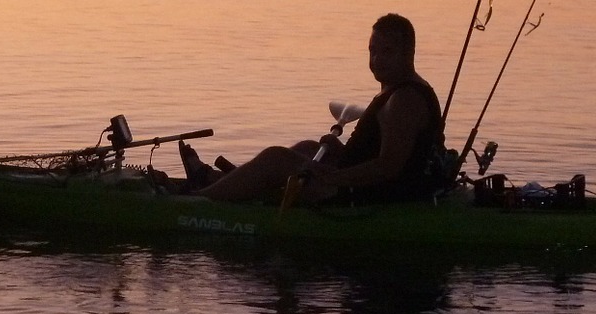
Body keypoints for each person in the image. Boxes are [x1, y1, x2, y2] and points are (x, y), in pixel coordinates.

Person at [185, 13, 444, 204]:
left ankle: (197, 203)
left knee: (276, 158)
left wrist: (330, 177)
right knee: (309, 148)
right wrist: (341, 152)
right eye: (372, 51)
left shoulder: (405, 100)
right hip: (359, 185)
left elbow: (388, 168)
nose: (376, 60)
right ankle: (217, 182)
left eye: (386, 52)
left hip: (365, 198)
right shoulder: (396, 88)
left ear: (409, 52)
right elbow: (377, 153)